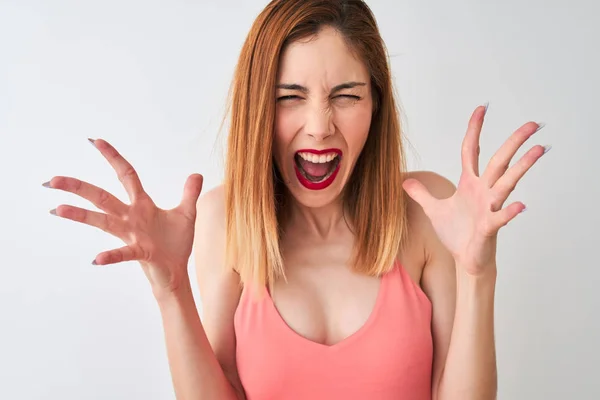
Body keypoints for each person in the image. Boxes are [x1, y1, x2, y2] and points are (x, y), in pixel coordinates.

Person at [44, 0, 549, 398]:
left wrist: (478, 275)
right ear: (257, 107)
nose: (319, 126)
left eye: (346, 95)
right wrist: (171, 290)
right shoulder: (225, 219)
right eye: (289, 97)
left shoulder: (427, 209)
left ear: (376, 103)